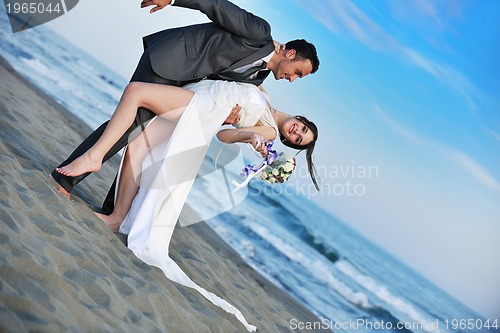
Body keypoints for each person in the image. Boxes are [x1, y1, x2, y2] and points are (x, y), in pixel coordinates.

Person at [55, 78, 319, 332]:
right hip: (203, 97)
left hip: (201, 114)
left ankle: (114, 210)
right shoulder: (267, 98)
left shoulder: (269, 131)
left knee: (137, 108)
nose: (296, 133)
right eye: (303, 130)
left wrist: (250, 136)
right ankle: (117, 217)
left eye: (297, 140)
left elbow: (224, 135)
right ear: (302, 119)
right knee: (137, 146)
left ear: (286, 142)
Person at [51, 0, 320, 215]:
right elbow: (216, 6)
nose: (293, 79)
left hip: (184, 85)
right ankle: (68, 180)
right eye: (297, 72)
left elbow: (221, 87)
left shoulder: (258, 77)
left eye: (298, 78)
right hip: (170, 58)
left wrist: (229, 116)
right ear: (290, 53)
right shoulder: (260, 32)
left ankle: (112, 208)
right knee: (133, 125)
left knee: (140, 134)